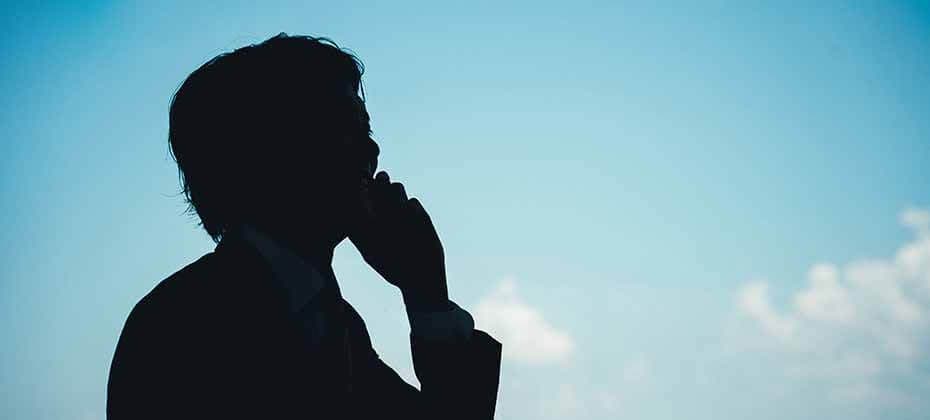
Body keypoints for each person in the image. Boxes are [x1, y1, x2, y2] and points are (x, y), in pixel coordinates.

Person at [106, 33, 502, 419]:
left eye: (365, 128)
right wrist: (427, 296)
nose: (371, 148)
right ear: (268, 145)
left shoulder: (340, 329)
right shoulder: (181, 324)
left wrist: (425, 292)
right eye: (344, 125)